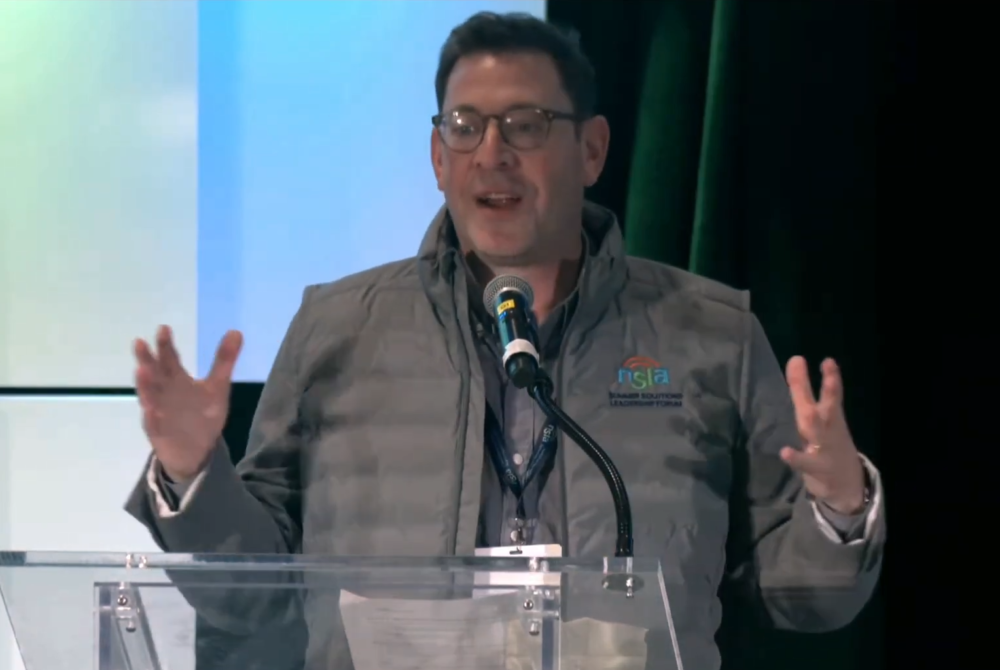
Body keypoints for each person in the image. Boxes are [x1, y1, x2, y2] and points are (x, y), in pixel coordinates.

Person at [126, 11, 884, 670]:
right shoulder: (336, 329)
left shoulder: (710, 333)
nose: (492, 153)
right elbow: (251, 597)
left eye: (526, 124)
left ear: (592, 150)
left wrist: (840, 509)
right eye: (465, 127)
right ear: (437, 158)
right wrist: (194, 477)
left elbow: (804, 601)